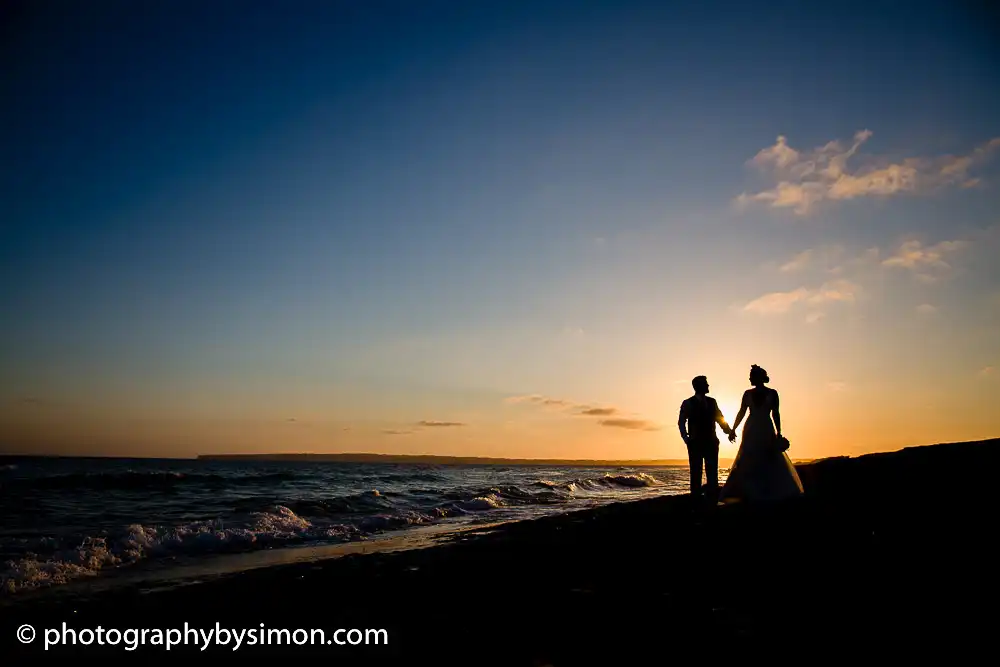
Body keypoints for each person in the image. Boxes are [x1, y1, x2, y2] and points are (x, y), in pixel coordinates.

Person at [718, 365, 804, 504]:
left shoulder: (773, 393)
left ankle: (768, 490)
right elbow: (741, 412)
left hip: (765, 427)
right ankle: (750, 490)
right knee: (749, 455)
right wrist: (733, 429)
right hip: (751, 428)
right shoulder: (747, 394)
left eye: (752, 375)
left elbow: (776, 413)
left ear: (759, 377)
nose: (750, 378)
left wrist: (779, 432)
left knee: (768, 456)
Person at [677, 375, 736, 503]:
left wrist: (729, 432)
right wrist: (686, 438)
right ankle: (696, 502)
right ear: (699, 386)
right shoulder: (688, 403)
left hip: (711, 442)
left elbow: (720, 419)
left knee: (712, 473)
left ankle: (712, 502)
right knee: (695, 473)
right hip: (695, 443)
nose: (708, 386)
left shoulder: (712, 402)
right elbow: (681, 422)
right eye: (706, 384)